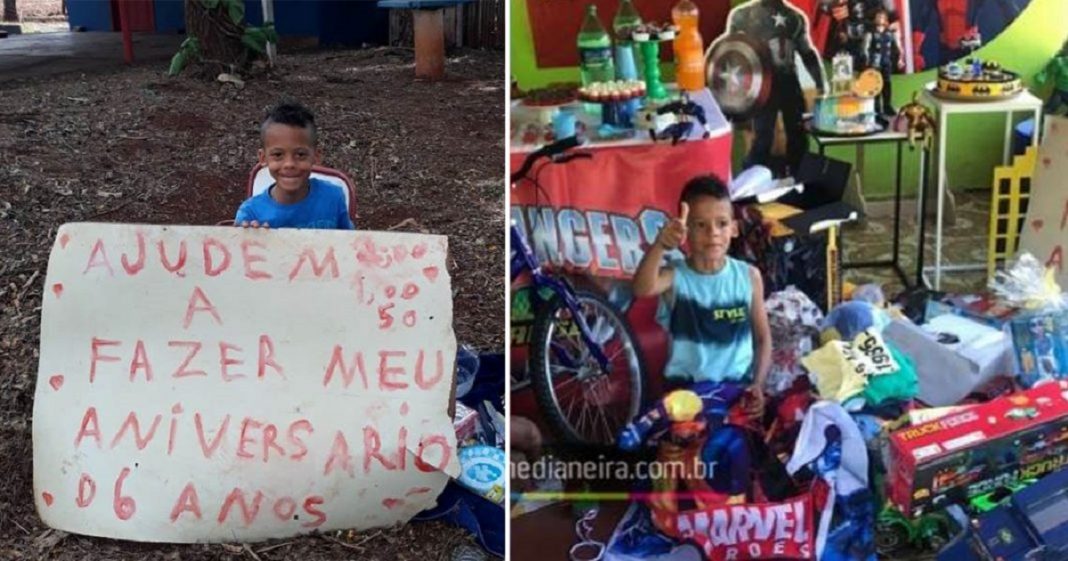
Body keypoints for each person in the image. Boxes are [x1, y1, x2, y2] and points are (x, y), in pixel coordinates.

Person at [618, 176, 772, 450]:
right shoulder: (677, 277)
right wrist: (660, 246)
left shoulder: (748, 277)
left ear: (734, 228)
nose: (713, 233)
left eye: (721, 224)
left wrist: (758, 385)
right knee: (688, 469)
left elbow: (763, 339)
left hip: (736, 394)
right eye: (700, 225)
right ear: (685, 231)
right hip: (684, 397)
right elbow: (642, 288)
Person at [727, 0, 826, 174]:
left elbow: (807, 53)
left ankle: (797, 177)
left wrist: (820, 83)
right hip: (764, 82)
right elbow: (734, 52)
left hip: (785, 81)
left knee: (796, 134)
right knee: (764, 135)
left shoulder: (794, 18)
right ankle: (754, 179)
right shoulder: (743, 16)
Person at [235, 102, 355, 230]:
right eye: (278, 155)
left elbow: (350, 243)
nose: (289, 164)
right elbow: (236, 247)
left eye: (300, 154)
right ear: (263, 158)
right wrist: (249, 238)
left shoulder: (333, 197)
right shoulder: (251, 214)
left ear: (316, 156)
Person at [861, 8, 902, 115]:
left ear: (886, 19)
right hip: (875, 63)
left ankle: (887, 106)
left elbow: (897, 47)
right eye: (878, 17)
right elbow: (865, 48)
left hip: (886, 62)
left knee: (887, 84)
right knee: (876, 85)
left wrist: (900, 59)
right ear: (875, 19)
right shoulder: (870, 33)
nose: (880, 19)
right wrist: (866, 61)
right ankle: (876, 107)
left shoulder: (889, 33)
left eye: (883, 17)